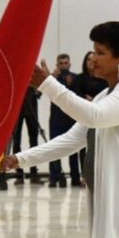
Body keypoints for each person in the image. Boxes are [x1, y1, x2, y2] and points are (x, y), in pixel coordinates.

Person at [2, 21, 119, 238]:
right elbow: (71, 139)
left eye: (101, 53)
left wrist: (48, 85)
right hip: (113, 199)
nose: (93, 59)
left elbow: (95, 116)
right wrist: (20, 159)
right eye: (93, 52)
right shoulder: (108, 94)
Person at [72, 51, 108, 186]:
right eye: (89, 60)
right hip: (83, 116)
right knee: (82, 147)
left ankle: (97, 175)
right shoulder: (80, 79)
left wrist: (93, 100)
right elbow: (76, 96)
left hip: (100, 117)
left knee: (97, 146)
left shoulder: (104, 80)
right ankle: (83, 176)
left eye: (95, 60)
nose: (92, 63)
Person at [47, 53, 78, 188]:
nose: (64, 66)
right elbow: (38, 94)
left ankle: (75, 177)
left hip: (71, 118)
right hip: (56, 118)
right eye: (61, 63)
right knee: (54, 148)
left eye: (66, 63)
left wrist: (72, 85)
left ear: (70, 64)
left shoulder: (75, 78)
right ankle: (54, 177)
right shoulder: (52, 79)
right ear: (57, 65)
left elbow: (78, 97)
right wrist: (51, 78)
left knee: (73, 149)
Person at [12, 86, 45, 185]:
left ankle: (34, 173)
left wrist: (38, 90)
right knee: (16, 142)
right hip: (17, 110)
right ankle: (19, 174)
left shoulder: (32, 74)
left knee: (34, 142)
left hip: (31, 109)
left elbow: (39, 93)